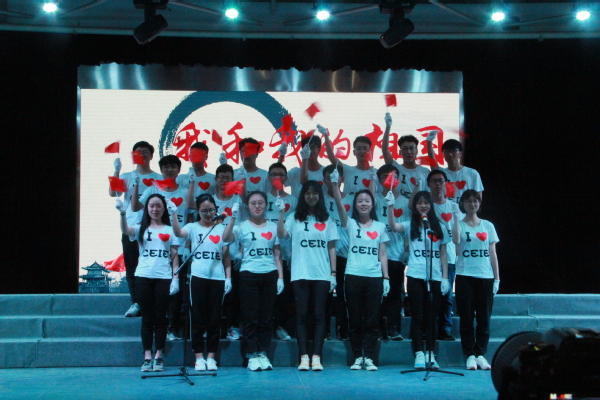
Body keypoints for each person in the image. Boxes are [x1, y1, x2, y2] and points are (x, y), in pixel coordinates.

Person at [331, 168, 390, 371]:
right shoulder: (350, 224)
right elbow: (339, 204)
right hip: (353, 276)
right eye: (360, 201)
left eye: (367, 200)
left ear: (372, 204)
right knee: (355, 319)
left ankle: (370, 357)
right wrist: (334, 185)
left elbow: (383, 254)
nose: (363, 203)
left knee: (372, 320)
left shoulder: (380, 227)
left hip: (374, 278)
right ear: (355, 205)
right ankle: (358, 356)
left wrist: (386, 278)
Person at [277, 180, 339, 371]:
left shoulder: (327, 220)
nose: (311, 196)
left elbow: (332, 248)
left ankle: (317, 356)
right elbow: (282, 235)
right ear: (302, 196)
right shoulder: (294, 218)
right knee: (302, 315)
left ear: (320, 196)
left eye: (315, 193)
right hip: (300, 273)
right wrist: (280, 213)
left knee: (319, 316)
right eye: (308, 193)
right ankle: (304, 356)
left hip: (322, 275)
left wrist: (333, 274)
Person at [386, 190, 450, 370]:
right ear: (415, 206)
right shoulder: (410, 224)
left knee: (432, 317)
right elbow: (393, 226)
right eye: (419, 203)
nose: (423, 205)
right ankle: (419, 353)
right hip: (415, 275)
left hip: (434, 277)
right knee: (418, 316)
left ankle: (431, 352)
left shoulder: (439, 227)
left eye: (426, 202)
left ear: (431, 205)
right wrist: (390, 206)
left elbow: (443, 253)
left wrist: (445, 277)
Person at [115, 193, 179, 372]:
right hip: (143, 276)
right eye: (151, 206)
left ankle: (159, 356)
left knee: (161, 318)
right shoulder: (140, 228)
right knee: (147, 319)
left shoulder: (170, 230)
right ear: (147, 208)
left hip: (163, 277)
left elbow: (174, 256)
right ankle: (147, 357)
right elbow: (126, 230)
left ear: (163, 209)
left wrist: (175, 279)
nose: (155, 209)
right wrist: (122, 213)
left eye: (158, 206)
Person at [223, 191, 284, 371]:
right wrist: (232, 218)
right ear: (248, 206)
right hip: (248, 274)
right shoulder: (242, 226)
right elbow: (225, 238)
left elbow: (277, 255)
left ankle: (262, 353)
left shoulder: (273, 226)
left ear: (266, 205)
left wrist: (280, 277)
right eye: (253, 203)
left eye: (260, 203)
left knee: (266, 317)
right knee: (250, 317)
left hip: (269, 274)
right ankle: (251, 355)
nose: (257, 206)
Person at [171, 193, 232, 372]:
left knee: (214, 318)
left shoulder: (221, 228)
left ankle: (211, 357)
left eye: (211, 210)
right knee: (197, 318)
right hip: (198, 277)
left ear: (216, 210)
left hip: (218, 278)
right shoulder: (192, 227)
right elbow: (178, 233)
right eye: (204, 211)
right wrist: (174, 214)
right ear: (198, 210)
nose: (208, 213)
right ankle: (199, 357)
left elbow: (226, 257)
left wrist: (228, 278)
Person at [131, 155, 190, 340]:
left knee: (177, 291)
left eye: (173, 166)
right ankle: (158, 328)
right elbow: (135, 207)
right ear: (161, 170)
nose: (169, 170)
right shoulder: (152, 189)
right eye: (165, 167)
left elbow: (191, 217)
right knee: (159, 293)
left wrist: (188, 245)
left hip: (179, 246)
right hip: (158, 248)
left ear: (179, 170)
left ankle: (173, 328)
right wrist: (135, 185)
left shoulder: (185, 191)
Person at [109, 141, 162, 317]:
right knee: (132, 266)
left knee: (153, 266)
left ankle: (153, 301)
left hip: (153, 228)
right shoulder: (127, 176)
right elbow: (113, 193)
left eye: (145, 152)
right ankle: (136, 302)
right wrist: (116, 171)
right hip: (131, 227)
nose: (142, 155)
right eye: (138, 152)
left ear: (151, 156)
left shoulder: (158, 178)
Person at [452, 189, 500, 371]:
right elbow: (455, 241)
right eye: (469, 201)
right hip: (465, 276)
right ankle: (469, 355)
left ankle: (480, 354)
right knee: (466, 318)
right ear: (463, 203)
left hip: (485, 276)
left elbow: (493, 253)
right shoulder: (460, 225)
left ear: (479, 203)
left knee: (484, 319)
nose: (472, 204)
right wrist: (455, 218)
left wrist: (497, 278)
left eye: (475, 201)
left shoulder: (488, 226)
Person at [375, 164, 410, 341]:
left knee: (396, 293)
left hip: (396, 254)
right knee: (378, 294)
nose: (389, 180)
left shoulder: (405, 201)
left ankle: (393, 328)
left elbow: (407, 229)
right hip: (377, 255)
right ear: (379, 180)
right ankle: (379, 329)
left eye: (393, 177)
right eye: (384, 176)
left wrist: (406, 250)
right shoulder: (374, 199)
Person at [264, 163, 298, 341]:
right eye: (273, 174)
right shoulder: (262, 198)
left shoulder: (293, 200)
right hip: (265, 254)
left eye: (281, 174)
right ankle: (267, 328)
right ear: (269, 177)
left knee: (284, 296)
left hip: (285, 255)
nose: (277, 177)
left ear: (286, 178)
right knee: (266, 296)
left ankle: (281, 326)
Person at [321, 164, 353, 340]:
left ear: (342, 178)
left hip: (346, 253)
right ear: (324, 180)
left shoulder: (351, 200)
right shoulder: (320, 199)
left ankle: (343, 327)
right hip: (324, 254)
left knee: (343, 293)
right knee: (324, 294)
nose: (332, 180)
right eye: (328, 178)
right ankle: (324, 329)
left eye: (335, 177)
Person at [424, 133, 484, 203]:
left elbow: (478, 197)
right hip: (447, 209)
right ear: (443, 155)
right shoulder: (442, 174)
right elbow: (432, 162)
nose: (450, 154)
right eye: (446, 152)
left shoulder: (472, 173)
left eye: (453, 151)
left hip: (465, 209)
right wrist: (429, 142)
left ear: (460, 153)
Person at [319, 124, 377, 196]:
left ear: (370, 151)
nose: (362, 151)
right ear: (354, 152)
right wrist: (326, 136)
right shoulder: (348, 170)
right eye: (358, 149)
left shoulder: (376, 173)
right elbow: (332, 158)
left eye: (365, 148)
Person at [382, 114, 429, 199]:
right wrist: (388, 127)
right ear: (400, 152)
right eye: (405, 149)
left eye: (411, 148)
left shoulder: (425, 172)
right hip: (399, 206)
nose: (409, 152)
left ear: (416, 151)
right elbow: (385, 151)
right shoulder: (395, 168)